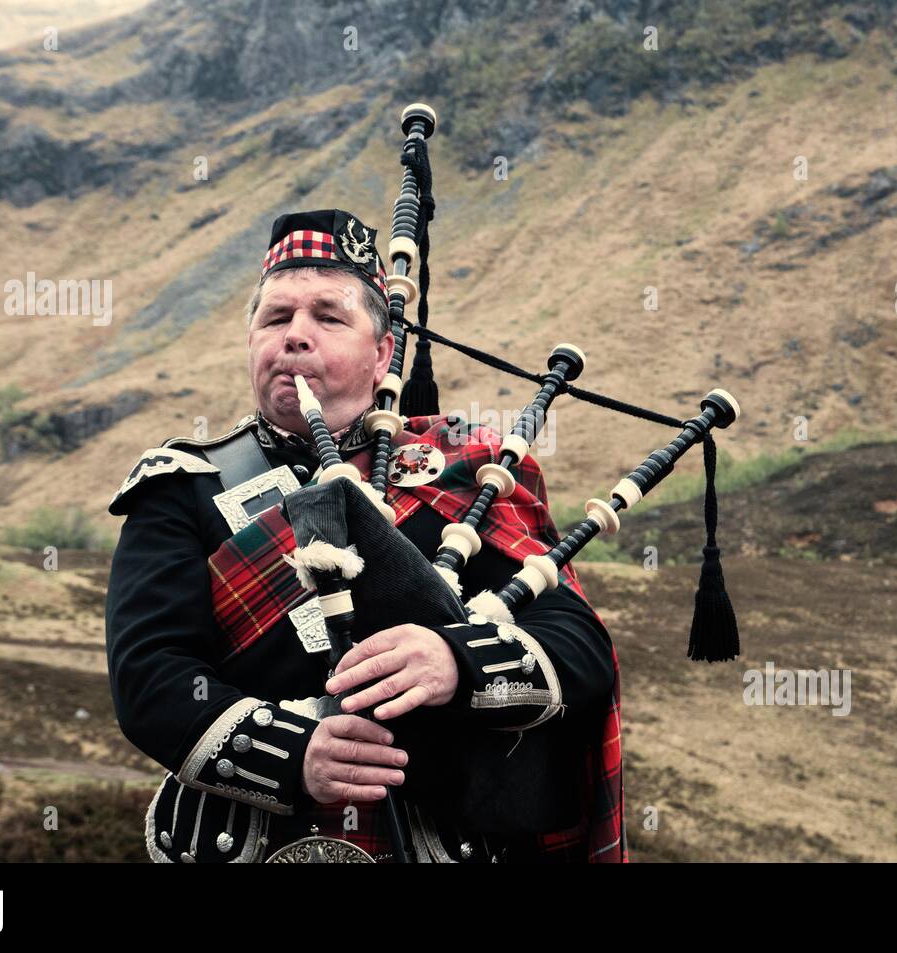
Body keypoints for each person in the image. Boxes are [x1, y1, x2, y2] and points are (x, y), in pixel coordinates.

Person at [105, 208, 625, 863]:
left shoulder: (468, 470)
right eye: (275, 317)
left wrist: (454, 659)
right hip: (243, 841)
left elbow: (576, 646)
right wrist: (299, 755)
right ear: (251, 343)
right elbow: (149, 677)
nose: (295, 335)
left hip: (443, 840)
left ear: (382, 351)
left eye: (328, 316)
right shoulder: (183, 486)